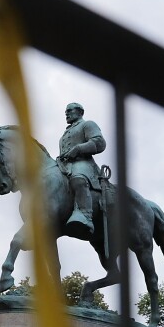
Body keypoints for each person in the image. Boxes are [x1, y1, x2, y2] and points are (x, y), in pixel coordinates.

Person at [57, 102, 106, 238]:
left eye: (70, 110)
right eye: (65, 111)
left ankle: (86, 215)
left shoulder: (87, 124)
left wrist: (79, 149)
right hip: (66, 166)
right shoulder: (64, 134)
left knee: (78, 178)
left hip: (83, 163)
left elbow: (99, 142)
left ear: (80, 112)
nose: (66, 113)